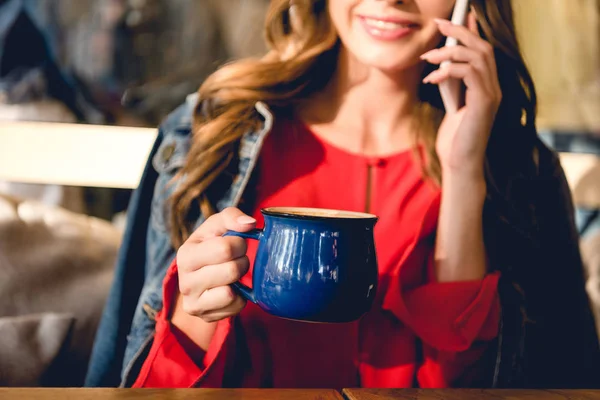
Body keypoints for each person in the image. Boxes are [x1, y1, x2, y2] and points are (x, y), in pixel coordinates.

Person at [85, 0, 600, 389]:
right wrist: (192, 316)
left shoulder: (521, 173)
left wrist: (466, 171)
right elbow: (128, 380)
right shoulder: (207, 137)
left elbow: (536, 382)